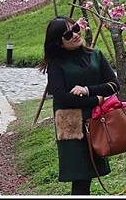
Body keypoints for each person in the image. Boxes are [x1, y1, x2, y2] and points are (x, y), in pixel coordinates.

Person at [40, 16, 120, 195]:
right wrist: (96, 99)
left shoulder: (95, 55)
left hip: (97, 120)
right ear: (58, 43)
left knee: (89, 175)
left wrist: (87, 90)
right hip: (71, 126)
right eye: (68, 34)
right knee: (80, 177)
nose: (75, 34)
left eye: (76, 28)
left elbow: (114, 85)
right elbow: (61, 97)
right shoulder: (56, 64)